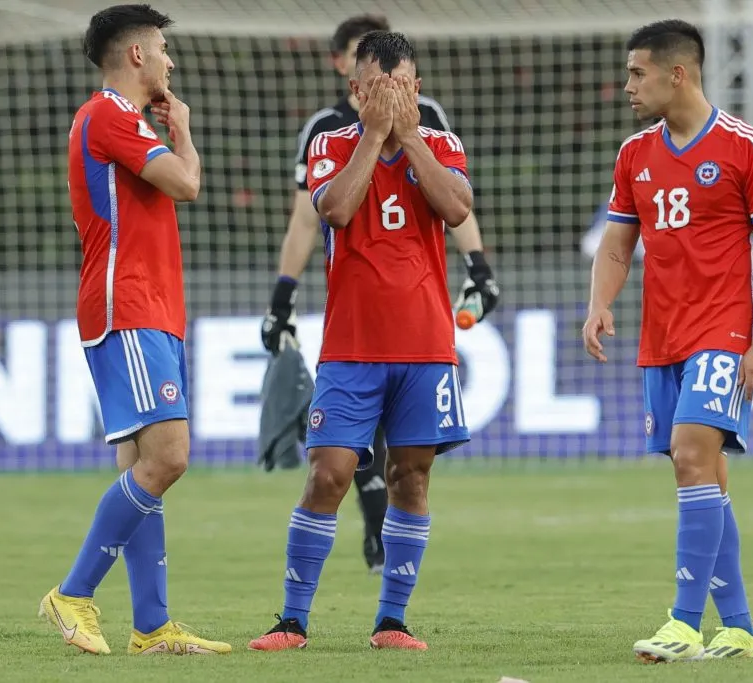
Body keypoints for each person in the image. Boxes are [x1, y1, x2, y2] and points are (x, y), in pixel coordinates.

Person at [250, 30, 472, 652]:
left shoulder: (442, 144)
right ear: (356, 90)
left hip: (426, 346)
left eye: (405, 87)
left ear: (418, 88)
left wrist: (408, 137)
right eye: (381, 88)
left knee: (411, 478)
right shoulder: (332, 144)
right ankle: (291, 620)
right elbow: (337, 211)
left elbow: (456, 209)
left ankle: (392, 621)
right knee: (329, 473)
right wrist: (376, 135)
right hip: (351, 346)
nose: (395, 98)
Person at [582, 19, 753, 663]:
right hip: (662, 338)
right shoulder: (634, 155)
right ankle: (740, 629)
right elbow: (618, 244)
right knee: (705, 474)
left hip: (724, 331)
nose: (628, 86)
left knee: (690, 457)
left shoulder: (750, 149)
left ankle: (682, 622)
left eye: (638, 73)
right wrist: (598, 304)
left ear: (679, 73)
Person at [39, 4, 229, 656]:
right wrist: (184, 132)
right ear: (138, 55)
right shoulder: (109, 116)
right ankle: (71, 593)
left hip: (150, 309)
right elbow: (186, 182)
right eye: (164, 49)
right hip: (128, 307)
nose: (171, 61)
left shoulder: (118, 120)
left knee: (145, 465)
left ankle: (151, 625)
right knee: (169, 456)